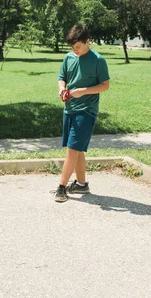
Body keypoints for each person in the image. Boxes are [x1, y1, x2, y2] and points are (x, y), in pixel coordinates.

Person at [54, 24, 110, 202]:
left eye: (78, 46)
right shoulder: (69, 58)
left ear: (88, 41)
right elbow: (61, 78)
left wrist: (83, 91)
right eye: (72, 47)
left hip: (87, 110)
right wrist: (62, 89)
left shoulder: (98, 60)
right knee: (77, 149)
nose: (74, 50)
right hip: (69, 108)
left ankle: (62, 187)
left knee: (72, 149)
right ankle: (81, 184)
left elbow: (105, 85)